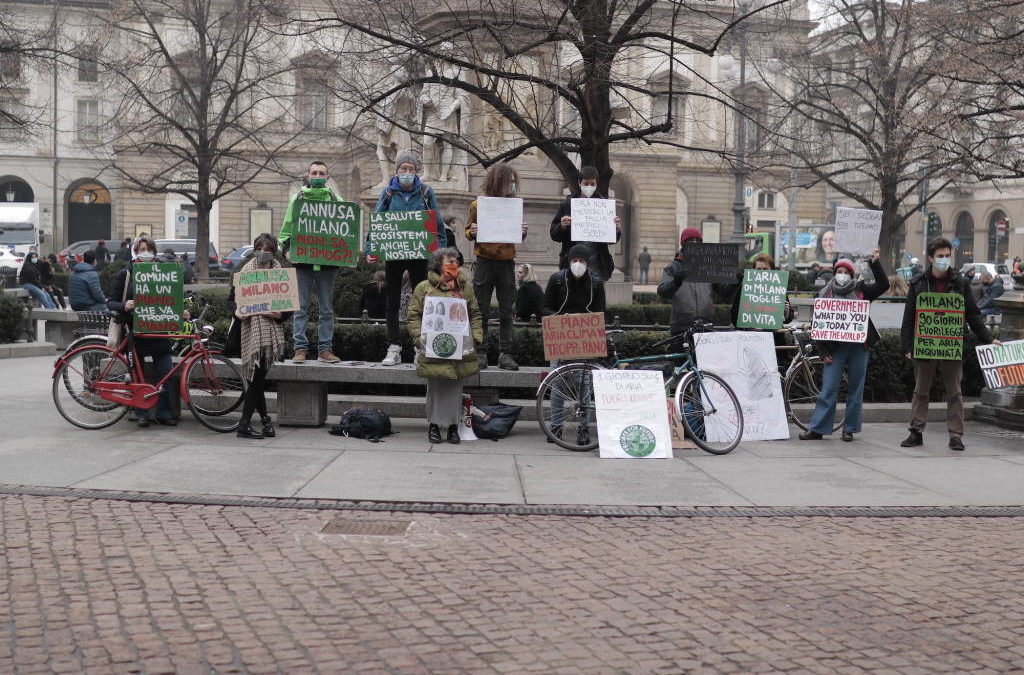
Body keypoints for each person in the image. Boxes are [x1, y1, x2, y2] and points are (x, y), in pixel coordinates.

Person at [900, 237, 1000, 451]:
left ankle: (956, 435)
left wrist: (989, 338)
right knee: (921, 391)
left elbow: (973, 316)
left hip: (952, 347)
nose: (944, 260)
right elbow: (909, 318)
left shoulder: (961, 284)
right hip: (925, 346)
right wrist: (907, 346)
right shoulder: (918, 283)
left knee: (954, 392)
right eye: (940, 256)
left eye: (947, 256)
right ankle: (916, 431)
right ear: (930, 258)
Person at [366, 149, 448, 366]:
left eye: (411, 169)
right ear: (397, 171)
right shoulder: (387, 193)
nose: (407, 172)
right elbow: (376, 223)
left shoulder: (426, 192)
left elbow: (437, 222)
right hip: (394, 252)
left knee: (421, 299)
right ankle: (394, 347)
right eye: (404, 168)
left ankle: (419, 345)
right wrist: (371, 249)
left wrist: (440, 251)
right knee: (392, 300)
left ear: (416, 172)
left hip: (419, 253)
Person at [799, 251, 889, 442]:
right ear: (834, 272)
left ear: (851, 274)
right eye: (839, 270)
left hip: (859, 347)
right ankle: (818, 429)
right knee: (829, 388)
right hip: (835, 349)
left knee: (856, 389)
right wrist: (822, 352)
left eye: (846, 271)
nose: (842, 274)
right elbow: (819, 324)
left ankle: (849, 429)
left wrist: (875, 263)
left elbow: (884, 285)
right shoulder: (824, 294)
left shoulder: (861, 290)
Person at [407, 247, 484, 444]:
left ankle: (452, 427)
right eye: (448, 260)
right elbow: (413, 316)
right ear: (438, 264)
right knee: (435, 386)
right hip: (432, 347)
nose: (452, 264)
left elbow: (475, 313)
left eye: (455, 260)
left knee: (455, 386)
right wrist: (418, 337)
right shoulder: (423, 287)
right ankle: (433, 425)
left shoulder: (465, 287)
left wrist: (475, 336)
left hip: (459, 347)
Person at [465, 162, 529, 370]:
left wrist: (522, 231)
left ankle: (505, 353)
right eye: (508, 182)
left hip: (506, 262)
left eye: (513, 182)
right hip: (484, 261)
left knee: (506, 310)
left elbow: (517, 235)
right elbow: (468, 231)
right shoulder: (478, 205)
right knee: (481, 309)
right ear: (497, 182)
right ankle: (480, 352)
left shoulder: (514, 206)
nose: (512, 186)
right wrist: (472, 231)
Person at [278, 160, 343, 364]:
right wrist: (287, 250)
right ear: (308, 175)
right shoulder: (297, 200)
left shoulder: (336, 199)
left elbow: (344, 230)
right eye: (314, 172)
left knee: (327, 310)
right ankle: (300, 349)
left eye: (321, 173)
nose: (317, 176)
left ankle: (325, 350)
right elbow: (287, 229)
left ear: (327, 177)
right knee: (301, 308)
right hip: (303, 262)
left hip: (327, 263)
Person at [107, 235, 176, 428]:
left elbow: (173, 296)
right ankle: (141, 414)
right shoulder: (125, 274)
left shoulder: (164, 272)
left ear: (154, 252)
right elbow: (110, 301)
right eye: (141, 249)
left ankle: (164, 413)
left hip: (159, 332)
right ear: (135, 252)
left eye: (148, 249)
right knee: (138, 377)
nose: (145, 253)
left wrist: (181, 309)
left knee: (166, 374)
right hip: (134, 335)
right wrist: (124, 305)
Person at [542, 244, 607, 446]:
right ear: (568, 261)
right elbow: (544, 307)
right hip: (561, 337)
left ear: (588, 263)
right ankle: (556, 426)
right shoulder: (557, 279)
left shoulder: (596, 283)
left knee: (584, 386)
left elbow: (600, 312)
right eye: (574, 261)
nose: (578, 264)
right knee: (558, 384)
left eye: (582, 261)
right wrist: (562, 318)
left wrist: (584, 320)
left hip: (584, 339)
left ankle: (583, 428)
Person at [228, 234, 287, 440]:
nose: (263, 253)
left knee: (256, 380)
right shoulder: (245, 272)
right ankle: (244, 426)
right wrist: (237, 311)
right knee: (256, 380)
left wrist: (279, 314)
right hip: (249, 332)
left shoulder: (279, 273)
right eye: (259, 248)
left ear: (273, 252)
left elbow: (288, 304)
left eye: (267, 249)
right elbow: (231, 300)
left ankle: (264, 422)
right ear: (254, 250)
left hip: (270, 333)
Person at [656, 227, 734, 338]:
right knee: (682, 355)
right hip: (681, 326)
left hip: (706, 325)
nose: (694, 243)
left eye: (697, 241)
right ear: (683, 244)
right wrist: (676, 282)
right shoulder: (673, 267)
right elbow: (662, 292)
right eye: (690, 241)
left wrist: (734, 282)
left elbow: (723, 292)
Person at [549, 165, 621, 281]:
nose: (589, 187)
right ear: (579, 183)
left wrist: (616, 228)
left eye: (592, 184)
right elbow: (554, 235)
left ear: (597, 183)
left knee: (595, 294)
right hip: (572, 260)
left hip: (597, 263)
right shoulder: (567, 205)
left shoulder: (605, 206)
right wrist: (561, 226)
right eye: (586, 183)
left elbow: (612, 240)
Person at [729, 254, 794, 338]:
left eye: (765, 269)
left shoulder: (778, 287)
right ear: (753, 270)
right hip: (749, 338)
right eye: (759, 269)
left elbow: (788, 319)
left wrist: (787, 312)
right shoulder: (745, 287)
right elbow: (734, 314)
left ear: (772, 270)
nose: (762, 272)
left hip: (774, 339)